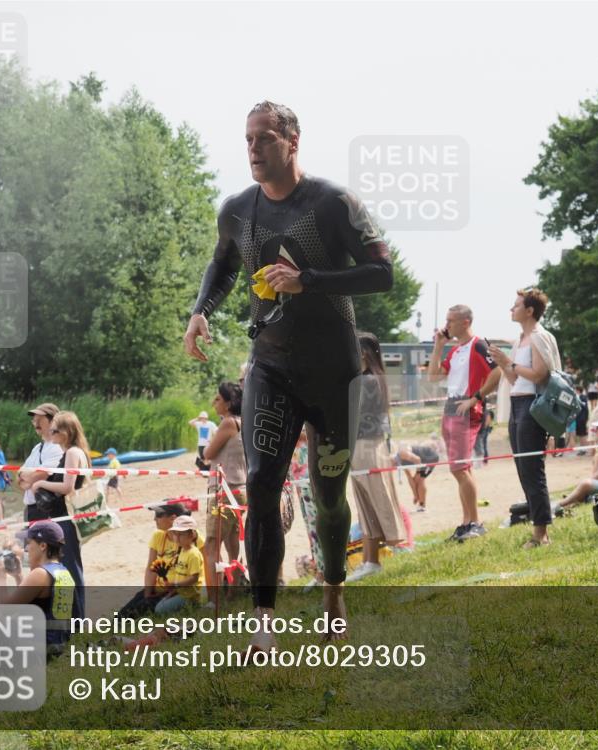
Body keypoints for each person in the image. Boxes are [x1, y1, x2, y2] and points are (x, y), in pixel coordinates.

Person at [183, 101, 393, 650]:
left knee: (327, 497)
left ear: (292, 140)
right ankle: (263, 619)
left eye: (264, 139)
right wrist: (201, 309)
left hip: (334, 372)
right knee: (259, 483)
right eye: (247, 139)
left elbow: (382, 273)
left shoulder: (334, 203)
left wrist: (310, 281)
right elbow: (223, 262)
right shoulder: (235, 209)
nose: (252, 149)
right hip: (270, 368)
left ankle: (333, 590)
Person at [488, 288, 561, 548]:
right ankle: (538, 526)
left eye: (516, 305)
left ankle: (541, 533)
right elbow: (516, 379)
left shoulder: (540, 337)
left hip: (533, 407)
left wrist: (511, 363)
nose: (512, 309)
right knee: (522, 469)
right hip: (518, 404)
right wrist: (503, 364)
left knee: (532, 469)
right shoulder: (520, 340)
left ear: (529, 310)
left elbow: (541, 374)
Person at [428, 304, 502, 542]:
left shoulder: (478, 344)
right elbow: (433, 376)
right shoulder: (456, 350)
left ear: (465, 322)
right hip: (450, 407)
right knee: (462, 469)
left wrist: (475, 399)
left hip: (466, 409)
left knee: (458, 468)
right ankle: (466, 522)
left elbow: (497, 372)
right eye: (446, 320)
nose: (446, 325)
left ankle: (475, 522)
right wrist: (438, 346)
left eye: (451, 321)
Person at [346, 333, 405, 581]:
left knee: (374, 501)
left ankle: (374, 559)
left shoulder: (367, 381)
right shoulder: (370, 379)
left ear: (363, 354)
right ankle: (371, 560)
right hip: (365, 445)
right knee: (366, 504)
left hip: (366, 446)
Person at [28, 410, 90, 620]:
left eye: (54, 430)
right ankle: (74, 620)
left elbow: (67, 486)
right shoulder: (73, 452)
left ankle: (77, 621)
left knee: (70, 569)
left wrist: (40, 483)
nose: (51, 433)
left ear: (66, 432)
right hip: (64, 518)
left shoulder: (73, 453)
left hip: (66, 518)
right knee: (70, 567)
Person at [0, 520, 75, 653]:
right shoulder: (63, 571)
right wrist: (18, 576)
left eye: (29, 543)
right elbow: (30, 604)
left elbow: (6, 610)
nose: (26, 548)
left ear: (42, 546)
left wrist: (0, 580)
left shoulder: (40, 574)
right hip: (57, 644)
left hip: (40, 647)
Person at [119, 503, 205, 619]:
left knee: (152, 610)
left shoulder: (192, 537)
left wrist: (213, 597)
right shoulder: (158, 536)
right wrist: (148, 593)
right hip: (159, 588)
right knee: (124, 613)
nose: (154, 518)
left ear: (173, 518)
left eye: (159, 515)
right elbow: (151, 568)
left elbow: (210, 562)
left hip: (179, 590)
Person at [202, 382, 246, 587]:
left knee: (211, 544)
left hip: (224, 488)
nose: (214, 402)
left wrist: (206, 450)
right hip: (239, 486)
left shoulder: (228, 423)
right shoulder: (243, 421)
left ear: (228, 404)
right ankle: (233, 590)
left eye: (218, 399)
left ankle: (214, 596)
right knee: (232, 540)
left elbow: (208, 454)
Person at [18, 403, 64, 520]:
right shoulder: (37, 447)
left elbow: (38, 476)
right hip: (31, 508)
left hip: (45, 509)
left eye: (39, 420)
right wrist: (26, 478)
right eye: (34, 420)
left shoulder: (57, 448)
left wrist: (28, 479)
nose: (36, 424)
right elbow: (18, 476)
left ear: (53, 421)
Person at [155, 515, 206, 614]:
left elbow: (194, 578)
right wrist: (175, 590)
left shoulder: (193, 554)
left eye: (181, 535)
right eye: (175, 534)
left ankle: (193, 605)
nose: (177, 538)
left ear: (192, 535)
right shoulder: (182, 550)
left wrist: (175, 585)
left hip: (190, 595)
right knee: (160, 606)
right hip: (182, 591)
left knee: (159, 610)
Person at [396, 438, 441, 512]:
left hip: (431, 457)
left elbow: (417, 459)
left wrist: (418, 472)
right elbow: (410, 478)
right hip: (422, 461)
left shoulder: (402, 454)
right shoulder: (400, 463)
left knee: (420, 480)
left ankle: (422, 506)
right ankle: (420, 503)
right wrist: (415, 495)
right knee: (416, 480)